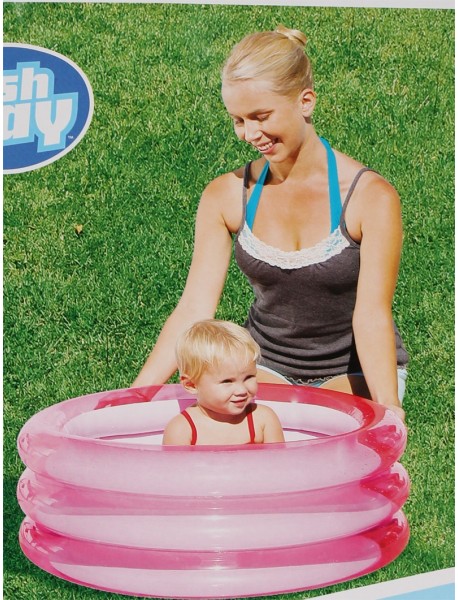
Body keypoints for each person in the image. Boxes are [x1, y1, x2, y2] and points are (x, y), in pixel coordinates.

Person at [134, 25, 408, 422]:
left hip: (352, 371)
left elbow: (371, 315)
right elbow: (194, 307)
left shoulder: (370, 198)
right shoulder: (227, 195)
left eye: (261, 116)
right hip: (262, 367)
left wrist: (389, 410)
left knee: (325, 444)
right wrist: (138, 395)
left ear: (306, 102)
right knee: (214, 432)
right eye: (238, 120)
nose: (250, 134)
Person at [162, 319, 285, 445]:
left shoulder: (263, 420)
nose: (242, 390)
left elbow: (280, 463)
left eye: (248, 377)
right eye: (227, 381)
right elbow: (176, 465)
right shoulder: (182, 430)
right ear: (191, 385)